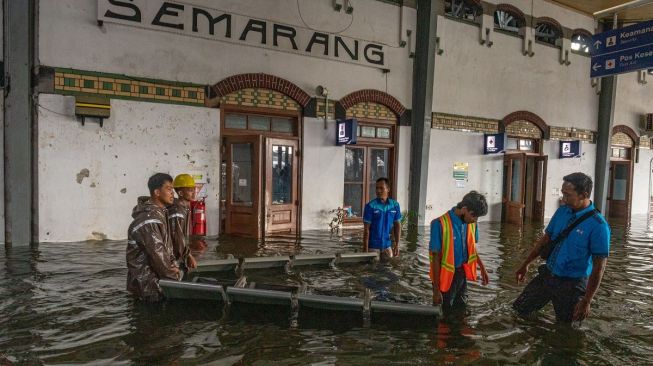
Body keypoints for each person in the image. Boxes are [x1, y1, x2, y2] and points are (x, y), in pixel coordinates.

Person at [513, 172, 610, 323]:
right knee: (520, 310)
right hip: (548, 275)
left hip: (572, 284)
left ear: (583, 194)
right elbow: (545, 239)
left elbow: (599, 267)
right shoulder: (562, 212)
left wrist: (587, 300)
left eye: (568, 195)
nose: (563, 199)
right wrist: (525, 264)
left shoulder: (598, 226)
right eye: (562, 193)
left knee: (566, 328)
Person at [430, 191, 490, 312]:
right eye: (473, 216)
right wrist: (436, 291)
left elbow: (472, 248)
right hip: (445, 279)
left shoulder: (471, 223)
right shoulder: (439, 224)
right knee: (444, 313)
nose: (475, 220)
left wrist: (482, 268)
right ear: (464, 209)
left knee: (461, 310)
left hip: (462, 275)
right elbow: (435, 259)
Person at [126, 173, 180, 302]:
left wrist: (173, 265)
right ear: (157, 192)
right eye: (168, 189)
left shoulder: (158, 214)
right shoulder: (149, 220)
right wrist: (174, 275)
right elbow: (157, 254)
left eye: (172, 189)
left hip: (154, 283)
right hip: (148, 287)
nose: (172, 193)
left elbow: (164, 248)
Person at [362, 177, 402, 259]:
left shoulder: (395, 205)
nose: (378, 191)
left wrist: (397, 245)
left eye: (381, 188)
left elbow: (397, 225)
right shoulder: (370, 206)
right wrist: (365, 251)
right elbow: (366, 230)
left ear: (388, 189)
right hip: (373, 246)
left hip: (387, 246)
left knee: (390, 267)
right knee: (373, 269)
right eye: (377, 188)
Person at [168, 174, 199, 269]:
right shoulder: (177, 211)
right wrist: (188, 256)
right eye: (190, 190)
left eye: (194, 189)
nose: (194, 193)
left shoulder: (184, 208)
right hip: (171, 257)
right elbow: (177, 236)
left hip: (177, 255)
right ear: (180, 193)